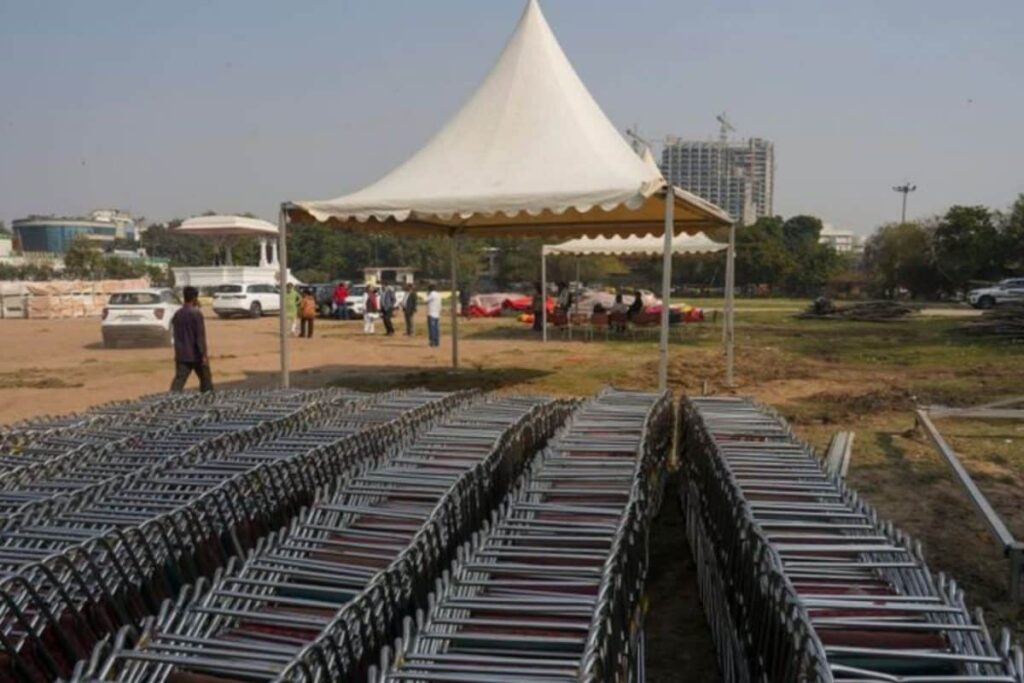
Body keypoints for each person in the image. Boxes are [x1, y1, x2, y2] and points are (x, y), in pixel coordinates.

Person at [170, 286, 213, 393]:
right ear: (194, 298)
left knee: (179, 381)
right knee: (206, 382)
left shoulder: (178, 314)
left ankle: (170, 399)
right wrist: (203, 355)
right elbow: (200, 336)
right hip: (196, 355)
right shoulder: (196, 314)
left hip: (181, 354)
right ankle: (207, 402)